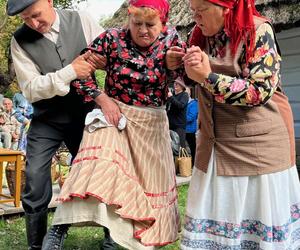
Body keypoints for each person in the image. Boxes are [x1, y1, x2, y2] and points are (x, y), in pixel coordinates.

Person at [42, 0, 185, 249]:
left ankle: (115, 238)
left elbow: (187, 81)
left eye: (150, 25)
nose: (142, 30)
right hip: (114, 115)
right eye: (136, 23)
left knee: (146, 186)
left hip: (151, 122)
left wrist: (177, 68)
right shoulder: (112, 38)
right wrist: (102, 98)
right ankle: (59, 226)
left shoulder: (172, 40)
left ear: (163, 24)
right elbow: (80, 70)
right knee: (97, 163)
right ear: (127, 20)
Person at [167, 0, 300, 249]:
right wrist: (179, 67)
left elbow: (260, 91)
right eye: (192, 11)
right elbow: (196, 78)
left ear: (225, 7)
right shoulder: (202, 36)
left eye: (201, 11)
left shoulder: (258, 31)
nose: (195, 18)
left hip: (257, 151)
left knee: (257, 229)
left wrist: (207, 77)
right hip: (214, 146)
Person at [7, 0, 108, 249]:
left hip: (87, 114)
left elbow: (112, 56)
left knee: (103, 173)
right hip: (47, 119)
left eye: (36, 15)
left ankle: (111, 236)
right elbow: (31, 89)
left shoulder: (83, 20)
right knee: (35, 177)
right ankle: (38, 245)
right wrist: (70, 71)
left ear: (50, 1)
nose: (33, 23)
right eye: (25, 19)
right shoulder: (19, 41)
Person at [167, 77, 189, 149]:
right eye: (175, 83)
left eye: (178, 84)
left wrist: (171, 97)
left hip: (179, 126)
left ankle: (183, 160)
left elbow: (180, 105)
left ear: (182, 87)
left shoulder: (184, 95)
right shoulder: (172, 95)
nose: (175, 85)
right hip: (170, 125)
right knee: (170, 147)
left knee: (180, 147)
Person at [185, 87, 198, 166]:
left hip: (190, 129)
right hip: (183, 128)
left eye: (185, 92)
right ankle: (184, 164)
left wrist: (179, 119)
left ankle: (194, 164)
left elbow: (191, 117)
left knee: (192, 147)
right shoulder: (183, 102)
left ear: (189, 93)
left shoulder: (193, 103)